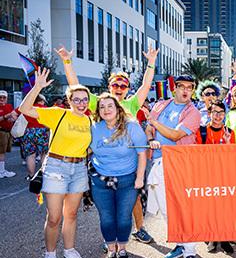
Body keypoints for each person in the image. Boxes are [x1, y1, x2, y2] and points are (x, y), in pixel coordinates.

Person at [55, 45, 159, 245]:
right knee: (108, 204)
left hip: (131, 162)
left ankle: (140, 229)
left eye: (123, 86)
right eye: (115, 86)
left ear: (127, 89)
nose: (119, 89)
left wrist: (151, 62)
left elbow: (146, 84)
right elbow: (75, 86)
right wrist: (67, 61)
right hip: (105, 164)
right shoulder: (99, 103)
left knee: (134, 199)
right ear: (109, 87)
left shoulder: (132, 103)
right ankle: (110, 238)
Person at [19, 68, 92, 258]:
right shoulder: (57, 114)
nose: (81, 103)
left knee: (71, 214)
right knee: (54, 217)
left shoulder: (88, 121)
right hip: (56, 168)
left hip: (79, 169)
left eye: (84, 100)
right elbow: (25, 108)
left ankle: (69, 253)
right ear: (69, 101)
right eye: (76, 100)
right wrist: (37, 87)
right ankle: (50, 256)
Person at [144, 75, 202, 258]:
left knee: (184, 210)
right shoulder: (160, 106)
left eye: (190, 87)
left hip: (181, 164)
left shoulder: (193, 112)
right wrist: (151, 138)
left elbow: (175, 136)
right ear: (174, 89)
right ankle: (180, 244)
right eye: (182, 87)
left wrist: (153, 122)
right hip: (159, 163)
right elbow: (149, 129)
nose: (186, 91)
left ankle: (190, 254)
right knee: (167, 210)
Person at [90, 93, 148, 258]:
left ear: (117, 108)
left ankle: (122, 248)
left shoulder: (132, 127)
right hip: (100, 180)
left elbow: (142, 154)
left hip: (127, 181)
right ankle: (111, 249)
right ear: (98, 111)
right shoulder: (94, 127)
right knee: (106, 217)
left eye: (110, 106)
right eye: (102, 107)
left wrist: (139, 178)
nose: (106, 110)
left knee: (123, 217)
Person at [195, 100, 235, 254]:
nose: (218, 116)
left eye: (221, 112)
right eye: (215, 112)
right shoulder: (202, 132)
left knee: (225, 207)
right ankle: (212, 237)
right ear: (209, 114)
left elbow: (233, 157)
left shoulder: (230, 132)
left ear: (224, 114)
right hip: (207, 175)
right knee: (210, 207)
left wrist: (226, 143)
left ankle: (224, 238)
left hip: (225, 174)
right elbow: (196, 154)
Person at [14, 95, 50, 179]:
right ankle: (45, 176)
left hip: (28, 131)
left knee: (30, 155)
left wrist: (20, 121)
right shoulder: (44, 108)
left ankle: (31, 176)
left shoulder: (26, 107)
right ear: (41, 100)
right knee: (44, 154)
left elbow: (13, 115)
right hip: (42, 131)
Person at [0, 90, 16, 178]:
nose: (2, 99)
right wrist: (6, 117)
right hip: (1, 132)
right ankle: (1, 171)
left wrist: (12, 119)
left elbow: (13, 116)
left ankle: (2, 170)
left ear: (7, 98)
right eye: (0, 97)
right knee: (1, 152)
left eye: (4, 97)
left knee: (3, 152)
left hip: (7, 132)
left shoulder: (9, 106)